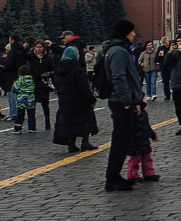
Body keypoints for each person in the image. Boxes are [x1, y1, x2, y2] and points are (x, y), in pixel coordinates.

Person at [104, 20, 145, 192]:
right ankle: (112, 178)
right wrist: (127, 101)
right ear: (125, 32)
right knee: (120, 141)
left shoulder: (117, 49)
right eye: (131, 31)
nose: (134, 34)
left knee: (123, 140)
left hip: (123, 100)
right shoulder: (119, 51)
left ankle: (115, 176)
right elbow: (119, 77)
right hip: (121, 102)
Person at [52, 34, 98, 154]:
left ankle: (71, 144)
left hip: (65, 101)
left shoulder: (59, 69)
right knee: (85, 120)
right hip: (79, 100)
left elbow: (57, 85)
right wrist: (91, 99)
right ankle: (85, 142)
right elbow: (83, 86)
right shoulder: (77, 69)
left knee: (70, 122)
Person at [125, 100, 160, 182]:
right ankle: (132, 176)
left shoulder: (143, 112)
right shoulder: (131, 113)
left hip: (144, 139)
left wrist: (152, 135)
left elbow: (147, 125)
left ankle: (149, 174)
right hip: (135, 140)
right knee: (135, 159)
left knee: (147, 157)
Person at [26, 41, 55, 130]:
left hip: (43, 84)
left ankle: (47, 124)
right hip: (33, 83)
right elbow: (22, 56)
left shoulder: (48, 57)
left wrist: (49, 73)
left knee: (45, 105)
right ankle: (32, 126)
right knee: (31, 106)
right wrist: (24, 48)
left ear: (44, 48)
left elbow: (54, 69)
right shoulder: (31, 56)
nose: (38, 49)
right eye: (37, 47)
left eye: (40, 47)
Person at [10, 64, 37, 134]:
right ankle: (32, 128)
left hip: (21, 99)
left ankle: (17, 129)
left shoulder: (20, 80)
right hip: (31, 99)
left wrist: (13, 85)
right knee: (31, 114)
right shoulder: (32, 79)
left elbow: (15, 89)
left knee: (20, 115)